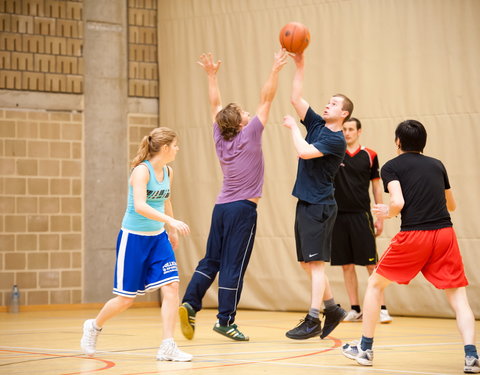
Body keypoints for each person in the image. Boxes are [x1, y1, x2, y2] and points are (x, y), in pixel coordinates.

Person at [342, 120, 479, 374]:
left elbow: (398, 201)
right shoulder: (437, 165)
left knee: (374, 285)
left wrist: (388, 213)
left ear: (398, 142)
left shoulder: (392, 167)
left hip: (416, 235)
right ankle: (471, 355)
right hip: (445, 234)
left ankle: (365, 349)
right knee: (458, 296)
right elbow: (452, 206)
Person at [178, 49, 288, 341]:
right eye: (244, 114)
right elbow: (266, 98)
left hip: (221, 208)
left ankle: (190, 301)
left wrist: (211, 76)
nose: (249, 114)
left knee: (211, 260)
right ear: (240, 123)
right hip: (242, 210)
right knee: (233, 265)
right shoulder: (250, 133)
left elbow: (215, 103)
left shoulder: (218, 135)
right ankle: (225, 320)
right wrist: (275, 70)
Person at [80, 127, 192, 362]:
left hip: (158, 238)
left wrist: (171, 229)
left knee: (172, 287)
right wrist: (171, 220)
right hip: (134, 239)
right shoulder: (141, 171)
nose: (178, 149)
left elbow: (166, 199)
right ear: (165, 148)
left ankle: (167, 345)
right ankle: (94, 326)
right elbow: (141, 206)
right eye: (175, 145)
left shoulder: (168, 172)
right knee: (126, 299)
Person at [281, 51, 352, 340]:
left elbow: (304, 152)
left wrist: (291, 130)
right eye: (328, 101)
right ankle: (332, 308)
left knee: (316, 263)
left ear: (344, 113)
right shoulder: (317, 125)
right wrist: (300, 66)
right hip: (307, 202)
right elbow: (296, 99)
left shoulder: (336, 139)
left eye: (334, 103)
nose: (327, 104)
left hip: (321, 206)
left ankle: (313, 319)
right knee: (306, 263)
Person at [331, 117, 392, 323]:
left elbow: (376, 187)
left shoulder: (370, 155)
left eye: (350, 129)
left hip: (361, 216)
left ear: (359, 131)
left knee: (371, 264)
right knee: (346, 266)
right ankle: (355, 308)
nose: (347, 133)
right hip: (338, 217)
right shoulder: (334, 153)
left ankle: (382, 308)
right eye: (344, 129)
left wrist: (380, 217)